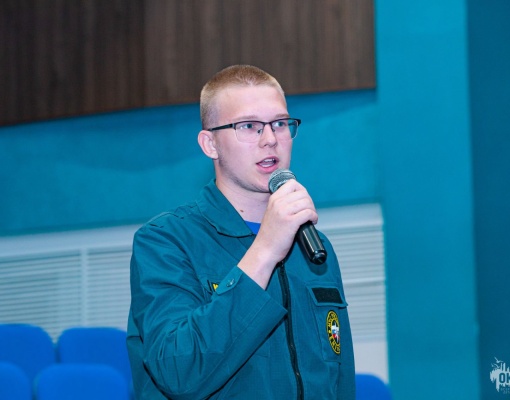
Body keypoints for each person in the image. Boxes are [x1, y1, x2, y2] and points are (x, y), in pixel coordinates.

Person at [127, 64, 355, 399]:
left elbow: (340, 378)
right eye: (249, 126)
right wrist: (264, 251)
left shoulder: (315, 247)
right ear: (210, 144)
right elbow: (178, 372)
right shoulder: (166, 241)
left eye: (280, 123)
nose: (270, 139)